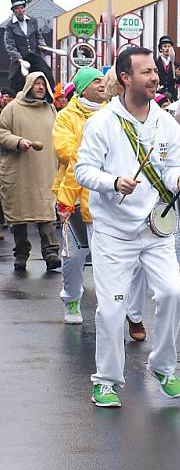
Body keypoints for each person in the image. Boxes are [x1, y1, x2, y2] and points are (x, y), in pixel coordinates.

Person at [75, 46, 180, 407]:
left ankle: (163, 367)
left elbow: (172, 167)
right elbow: (83, 171)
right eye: (146, 72)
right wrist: (113, 182)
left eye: (156, 71)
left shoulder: (166, 122)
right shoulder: (102, 123)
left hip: (155, 230)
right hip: (113, 232)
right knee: (112, 308)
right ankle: (107, 380)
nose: (155, 77)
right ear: (125, 78)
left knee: (174, 294)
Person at [52, 67, 106, 324]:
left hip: (104, 192)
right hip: (71, 192)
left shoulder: (112, 113)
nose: (102, 84)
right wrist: (97, 150)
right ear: (83, 87)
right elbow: (65, 150)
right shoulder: (66, 117)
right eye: (96, 81)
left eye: (103, 80)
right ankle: (71, 299)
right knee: (74, 254)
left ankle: (110, 306)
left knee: (108, 254)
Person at [0, 72, 60, 272]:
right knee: (20, 212)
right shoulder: (12, 109)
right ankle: (21, 253)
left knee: (46, 211)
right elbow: (1, 132)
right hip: (19, 170)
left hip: (45, 169)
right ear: (28, 86)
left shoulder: (51, 109)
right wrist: (18, 141)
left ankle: (51, 253)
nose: (41, 87)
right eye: (37, 84)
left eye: (43, 84)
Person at [4, 0, 55, 92]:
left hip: (34, 56)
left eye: (21, 8)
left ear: (24, 9)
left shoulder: (33, 21)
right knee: (15, 80)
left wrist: (42, 45)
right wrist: (19, 58)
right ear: (14, 11)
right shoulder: (10, 26)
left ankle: (52, 94)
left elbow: (38, 36)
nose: (20, 11)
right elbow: (10, 46)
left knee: (47, 72)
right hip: (21, 59)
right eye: (17, 9)